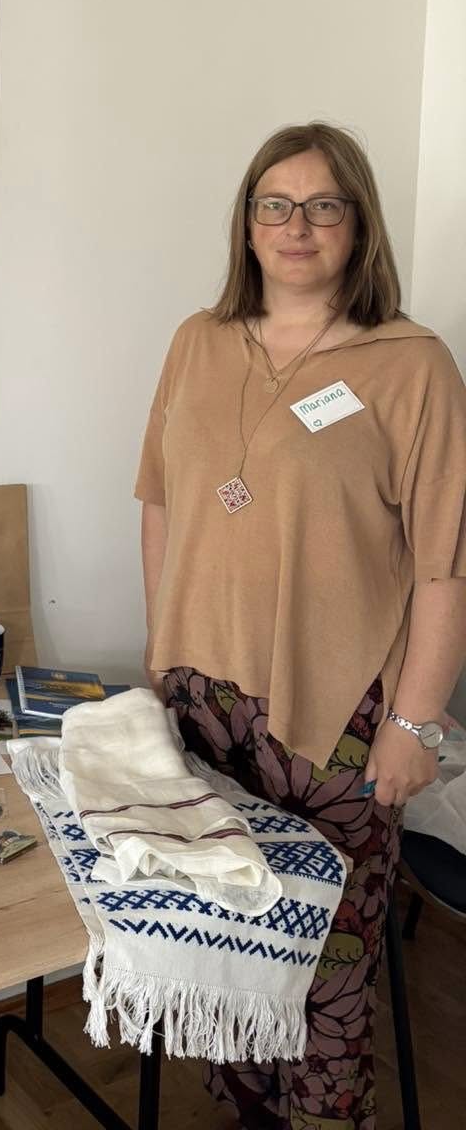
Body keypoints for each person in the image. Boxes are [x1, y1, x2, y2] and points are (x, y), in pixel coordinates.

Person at [136, 122, 466, 1130]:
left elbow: (444, 564)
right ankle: (245, 1111)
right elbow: (159, 500)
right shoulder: (198, 340)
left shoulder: (411, 364)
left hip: (337, 718)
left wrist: (416, 723)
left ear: (358, 225)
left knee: (323, 964)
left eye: (324, 205)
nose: (297, 226)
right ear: (246, 224)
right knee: (227, 942)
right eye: (273, 204)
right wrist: (160, 652)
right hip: (203, 702)